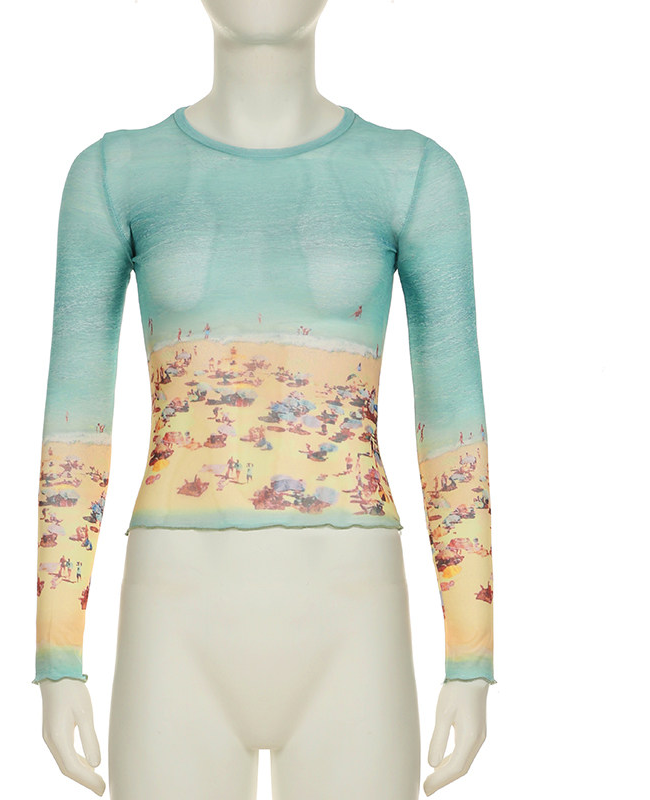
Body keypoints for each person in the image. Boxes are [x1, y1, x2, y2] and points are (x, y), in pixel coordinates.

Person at [34, 2, 494, 799]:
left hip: (352, 623)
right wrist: (56, 657)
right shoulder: (115, 174)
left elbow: (453, 423)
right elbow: (75, 425)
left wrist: (471, 660)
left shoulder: (413, 173)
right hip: (175, 621)